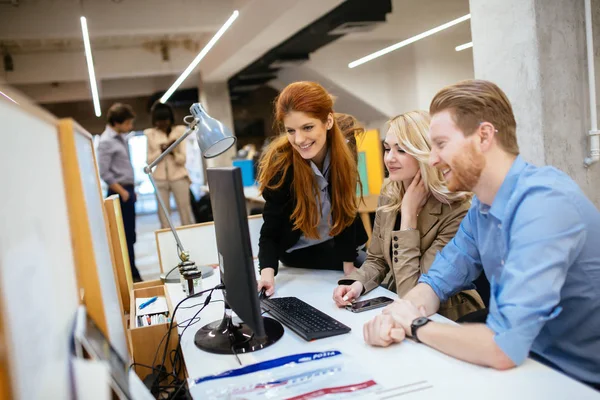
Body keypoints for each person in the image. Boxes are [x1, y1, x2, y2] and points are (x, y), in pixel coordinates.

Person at [363, 80, 600, 390]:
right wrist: (396, 314)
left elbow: (502, 347)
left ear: (484, 136)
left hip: (575, 380)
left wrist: (416, 323)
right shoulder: (482, 210)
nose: (432, 159)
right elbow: (434, 283)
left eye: (441, 144)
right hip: (528, 367)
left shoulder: (545, 204)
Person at [333, 111, 483, 321]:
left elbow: (414, 292)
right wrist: (356, 285)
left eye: (401, 150)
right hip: (397, 304)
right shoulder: (389, 193)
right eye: (387, 149)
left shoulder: (457, 211)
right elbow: (376, 259)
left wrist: (408, 218)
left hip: (445, 315)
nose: (389, 158)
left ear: (424, 153)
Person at [257, 81, 368, 296]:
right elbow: (270, 231)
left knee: (371, 275)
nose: (299, 140)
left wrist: (348, 267)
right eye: (291, 130)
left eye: (308, 127)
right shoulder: (282, 165)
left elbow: (345, 208)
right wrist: (266, 276)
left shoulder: (344, 150)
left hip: (340, 244)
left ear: (328, 121)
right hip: (299, 251)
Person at [98, 103, 142, 282]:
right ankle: (130, 274)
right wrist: (123, 192)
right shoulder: (106, 141)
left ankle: (132, 270)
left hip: (127, 190)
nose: (130, 127)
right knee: (123, 235)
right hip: (119, 192)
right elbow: (104, 172)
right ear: (116, 122)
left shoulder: (119, 137)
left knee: (130, 234)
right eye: (127, 123)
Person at [145, 102, 193, 229]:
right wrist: (161, 150)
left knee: (185, 212)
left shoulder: (180, 131)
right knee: (164, 215)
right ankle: (167, 243)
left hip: (179, 176)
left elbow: (182, 159)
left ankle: (190, 239)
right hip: (159, 178)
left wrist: (172, 151)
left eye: (165, 120)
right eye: (159, 120)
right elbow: (149, 160)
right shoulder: (150, 134)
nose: (163, 123)